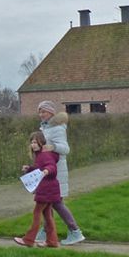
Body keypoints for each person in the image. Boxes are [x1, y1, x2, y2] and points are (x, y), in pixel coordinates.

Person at [34, 100, 86, 246]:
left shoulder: (57, 128)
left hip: (56, 171)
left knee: (55, 202)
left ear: (51, 112)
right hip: (47, 170)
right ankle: (47, 232)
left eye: (43, 111)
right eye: (40, 112)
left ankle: (75, 231)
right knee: (48, 202)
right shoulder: (46, 128)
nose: (41, 114)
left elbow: (65, 149)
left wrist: (52, 146)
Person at [14, 131, 61, 247]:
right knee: (47, 215)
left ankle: (28, 240)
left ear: (41, 142)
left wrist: (47, 171)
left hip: (46, 189)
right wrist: (29, 169)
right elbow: (39, 168)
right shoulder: (40, 155)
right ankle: (52, 241)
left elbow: (51, 167)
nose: (33, 144)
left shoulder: (44, 155)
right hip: (50, 189)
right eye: (31, 142)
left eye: (35, 142)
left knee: (37, 213)